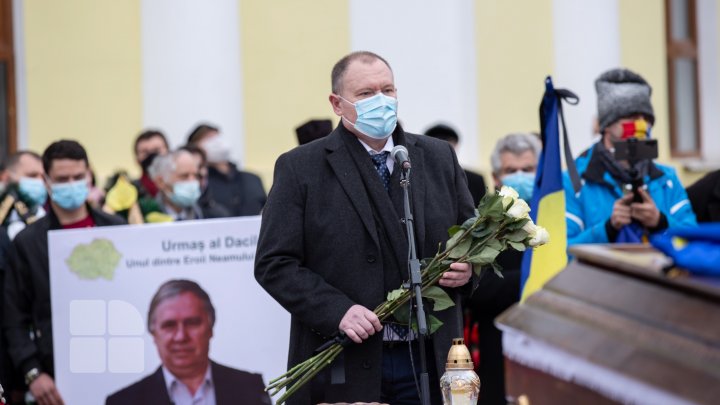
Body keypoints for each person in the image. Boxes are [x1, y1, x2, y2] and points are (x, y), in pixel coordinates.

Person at [255, 51, 475, 405]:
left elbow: (470, 239)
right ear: (337, 103)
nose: (381, 101)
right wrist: (336, 310)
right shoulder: (301, 168)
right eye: (366, 94)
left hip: (428, 357)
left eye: (387, 90)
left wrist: (469, 269)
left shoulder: (436, 157)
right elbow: (274, 263)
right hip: (345, 358)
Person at [4, 140, 126, 405]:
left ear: (89, 176)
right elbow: (13, 316)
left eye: (78, 177)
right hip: (58, 379)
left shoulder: (118, 229)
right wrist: (32, 372)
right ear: (47, 182)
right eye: (62, 179)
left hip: (119, 363)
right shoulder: (28, 243)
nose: (71, 184)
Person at [564, 68, 696, 246]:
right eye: (631, 116)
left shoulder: (667, 178)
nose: (641, 123)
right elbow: (562, 253)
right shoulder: (574, 180)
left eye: (646, 117)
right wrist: (609, 228)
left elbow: (693, 242)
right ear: (607, 125)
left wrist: (660, 223)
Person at [106, 279, 270, 405]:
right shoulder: (123, 401)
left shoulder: (251, 388)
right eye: (169, 325)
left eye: (192, 323)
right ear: (153, 333)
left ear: (211, 327)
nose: (181, 336)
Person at [468, 132, 541, 405]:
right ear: (497, 177)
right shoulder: (481, 225)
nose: (520, 175)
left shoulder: (557, 216)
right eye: (511, 170)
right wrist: (531, 281)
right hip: (498, 345)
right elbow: (477, 288)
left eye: (528, 169)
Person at [186, 124, 266, 216]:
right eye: (208, 138)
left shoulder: (252, 179)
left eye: (217, 136)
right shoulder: (200, 183)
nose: (217, 142)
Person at [146, 149, 228, 221]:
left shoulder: (214, 216)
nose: (193, 181)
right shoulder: (143, 216)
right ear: (161, 182)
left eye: (196, 176)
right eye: (184, 176)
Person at [424, 124, 487, 206]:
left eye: (448, 144)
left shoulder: (475, 180)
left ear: (456, 146)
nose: (441, 151)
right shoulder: (418, 178)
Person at [0, 151, 47, 240]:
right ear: (6, 177)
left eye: (43, 177)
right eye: (32, 175)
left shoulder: (48, 217)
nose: (40, 181)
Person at [132, 129, 170, 199]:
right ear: (136, 159)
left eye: (156, 150)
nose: (151, 155)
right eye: (145, 152)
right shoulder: (131, 191)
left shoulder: (181, 189)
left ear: (169, 153)